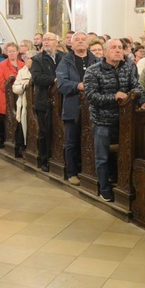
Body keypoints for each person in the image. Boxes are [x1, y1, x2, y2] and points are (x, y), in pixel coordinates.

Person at [84, 39, 145, 202]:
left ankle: (121, 184)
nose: (117, 50)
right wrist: (113, 97)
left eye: (120, 48)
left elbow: (136, 88)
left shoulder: (127, 68)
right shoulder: (93, 71)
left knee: (125, 154)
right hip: (102, 120)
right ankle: (104, 188)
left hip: (125, 121)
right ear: (105, 52)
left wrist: (144, 102)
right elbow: (90, 96)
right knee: (103, 156)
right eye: (113, 48)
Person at [57, 31, 97, 186]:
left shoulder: (96, 60)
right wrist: (78, 85)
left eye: (83, 40)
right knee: (71, 142)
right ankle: (72, 172)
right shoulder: (65, 62)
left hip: (93, 108)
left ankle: (90, 172)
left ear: (88, 43)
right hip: (73, 107)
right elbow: (61, 84)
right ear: (71, 44)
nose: (80, 42)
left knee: (92, 140)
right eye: (77, 40)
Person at [30, 33, 64, 172]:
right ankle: (45, 160)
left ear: (56, 42)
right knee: (45, 131)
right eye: (44, 40)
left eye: (49, 40)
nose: (46, 42)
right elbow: (37, 77)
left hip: (62, 100)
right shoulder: (38, 59)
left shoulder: (64, 57)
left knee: (60, 130)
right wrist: (54, 80)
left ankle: (60, 158)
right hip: (44, 100)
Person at [0, 42, 23, 145]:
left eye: (13, 51)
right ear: (6, 52)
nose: (11, 53)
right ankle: (7, 140)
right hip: (6, 97)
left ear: (17, 52)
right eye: (9, 51)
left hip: (20, 96)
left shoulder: (22, 65)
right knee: (7, 119)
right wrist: (10, 91)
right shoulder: (1, 65)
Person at [12, 50, 36, 152]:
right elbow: (15, 87)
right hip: (23, 103)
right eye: (25, 58)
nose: (25, 60)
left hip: (35, 103)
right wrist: (23, 86)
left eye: (28, 58)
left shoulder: (38, 71)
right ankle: (23, 147)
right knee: (23, 124)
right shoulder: (22, 71)